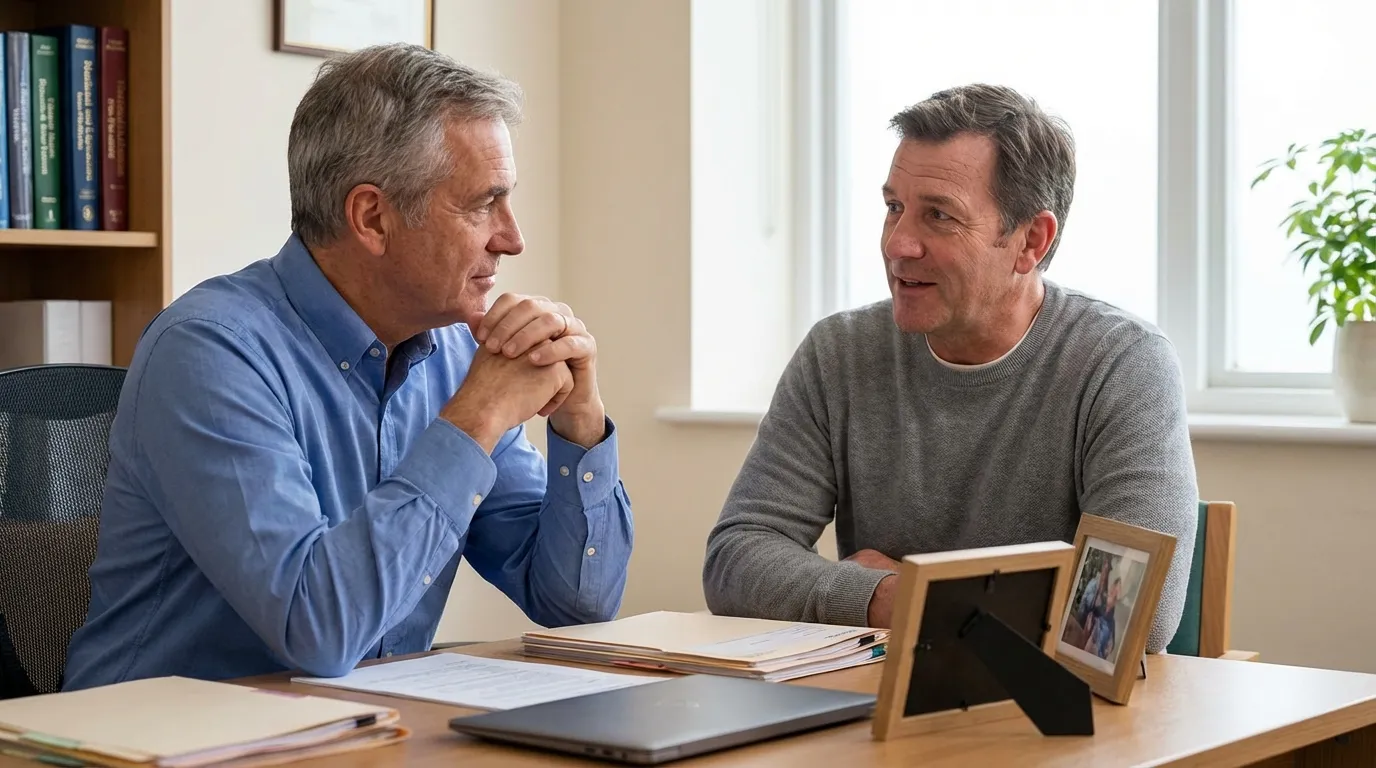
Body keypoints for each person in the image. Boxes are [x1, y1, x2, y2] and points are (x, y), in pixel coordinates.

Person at [63, 44, 634, 689]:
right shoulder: (209, 352)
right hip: (162, 745)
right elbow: (318, 630)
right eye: (483, 204)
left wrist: (581, 427)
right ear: (372, 217)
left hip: (362, 728)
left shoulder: (450, 354)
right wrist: (476, 417)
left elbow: (575, 608)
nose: (512, 237)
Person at [701, 83, 1196, 655]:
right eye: (893, 208)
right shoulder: (838, 353)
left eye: (938, 216)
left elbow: (1127, 614)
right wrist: (886, 595)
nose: (898, 244)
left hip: (1059, 720)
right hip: (879, 709)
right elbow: (736, 558)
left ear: (1030, 242)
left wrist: (918, 595)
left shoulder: (1122, 363)